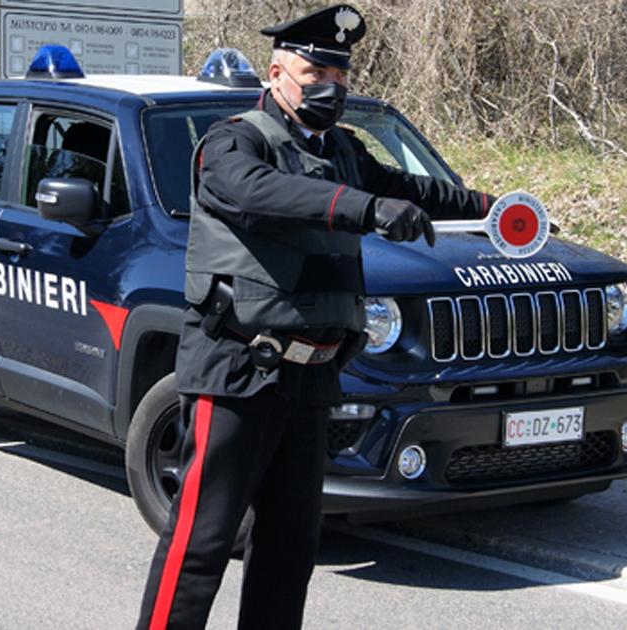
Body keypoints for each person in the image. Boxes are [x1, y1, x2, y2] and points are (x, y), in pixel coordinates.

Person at [135, 4, 492, 628]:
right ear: (276, 73)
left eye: (341, 72)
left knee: (290, 546)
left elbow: (413, 189)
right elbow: (260, 192)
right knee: (203, 540)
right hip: (240, 368)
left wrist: (496, 207)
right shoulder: (232, 141)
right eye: (315, 69)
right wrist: (364, 208)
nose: (332, 83)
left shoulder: (343, 151)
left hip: (312, 376)